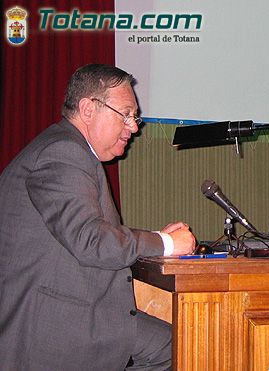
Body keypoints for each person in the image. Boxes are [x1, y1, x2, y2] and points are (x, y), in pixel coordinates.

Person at [0, 64, 196, 370]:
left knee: (177, 346)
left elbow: (91, 233)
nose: (134, 127)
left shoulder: (66, 148)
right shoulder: (64, 152)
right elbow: (91, 241)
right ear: (89, 109)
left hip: (73, 310)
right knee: (185, 349)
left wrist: (159, 240)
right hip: (53, 326)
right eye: (126, 114)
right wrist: (166, 243)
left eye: (135, 118)